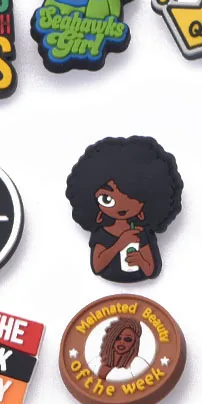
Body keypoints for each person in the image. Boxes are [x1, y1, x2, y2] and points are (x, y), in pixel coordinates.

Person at [66, 136, 183, 281]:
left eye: (132, 198)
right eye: (107, 199)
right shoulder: (102, 234)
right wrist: (120, 243)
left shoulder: (140, 232)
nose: (120, 207)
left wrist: (141, 260)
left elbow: (150, 270)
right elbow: (97, 266)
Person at [97, 317, 149, 382]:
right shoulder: (97, 361)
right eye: (118, 338)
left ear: (135, 342)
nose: (121, 342)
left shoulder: (138, 364)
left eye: (127, 339)